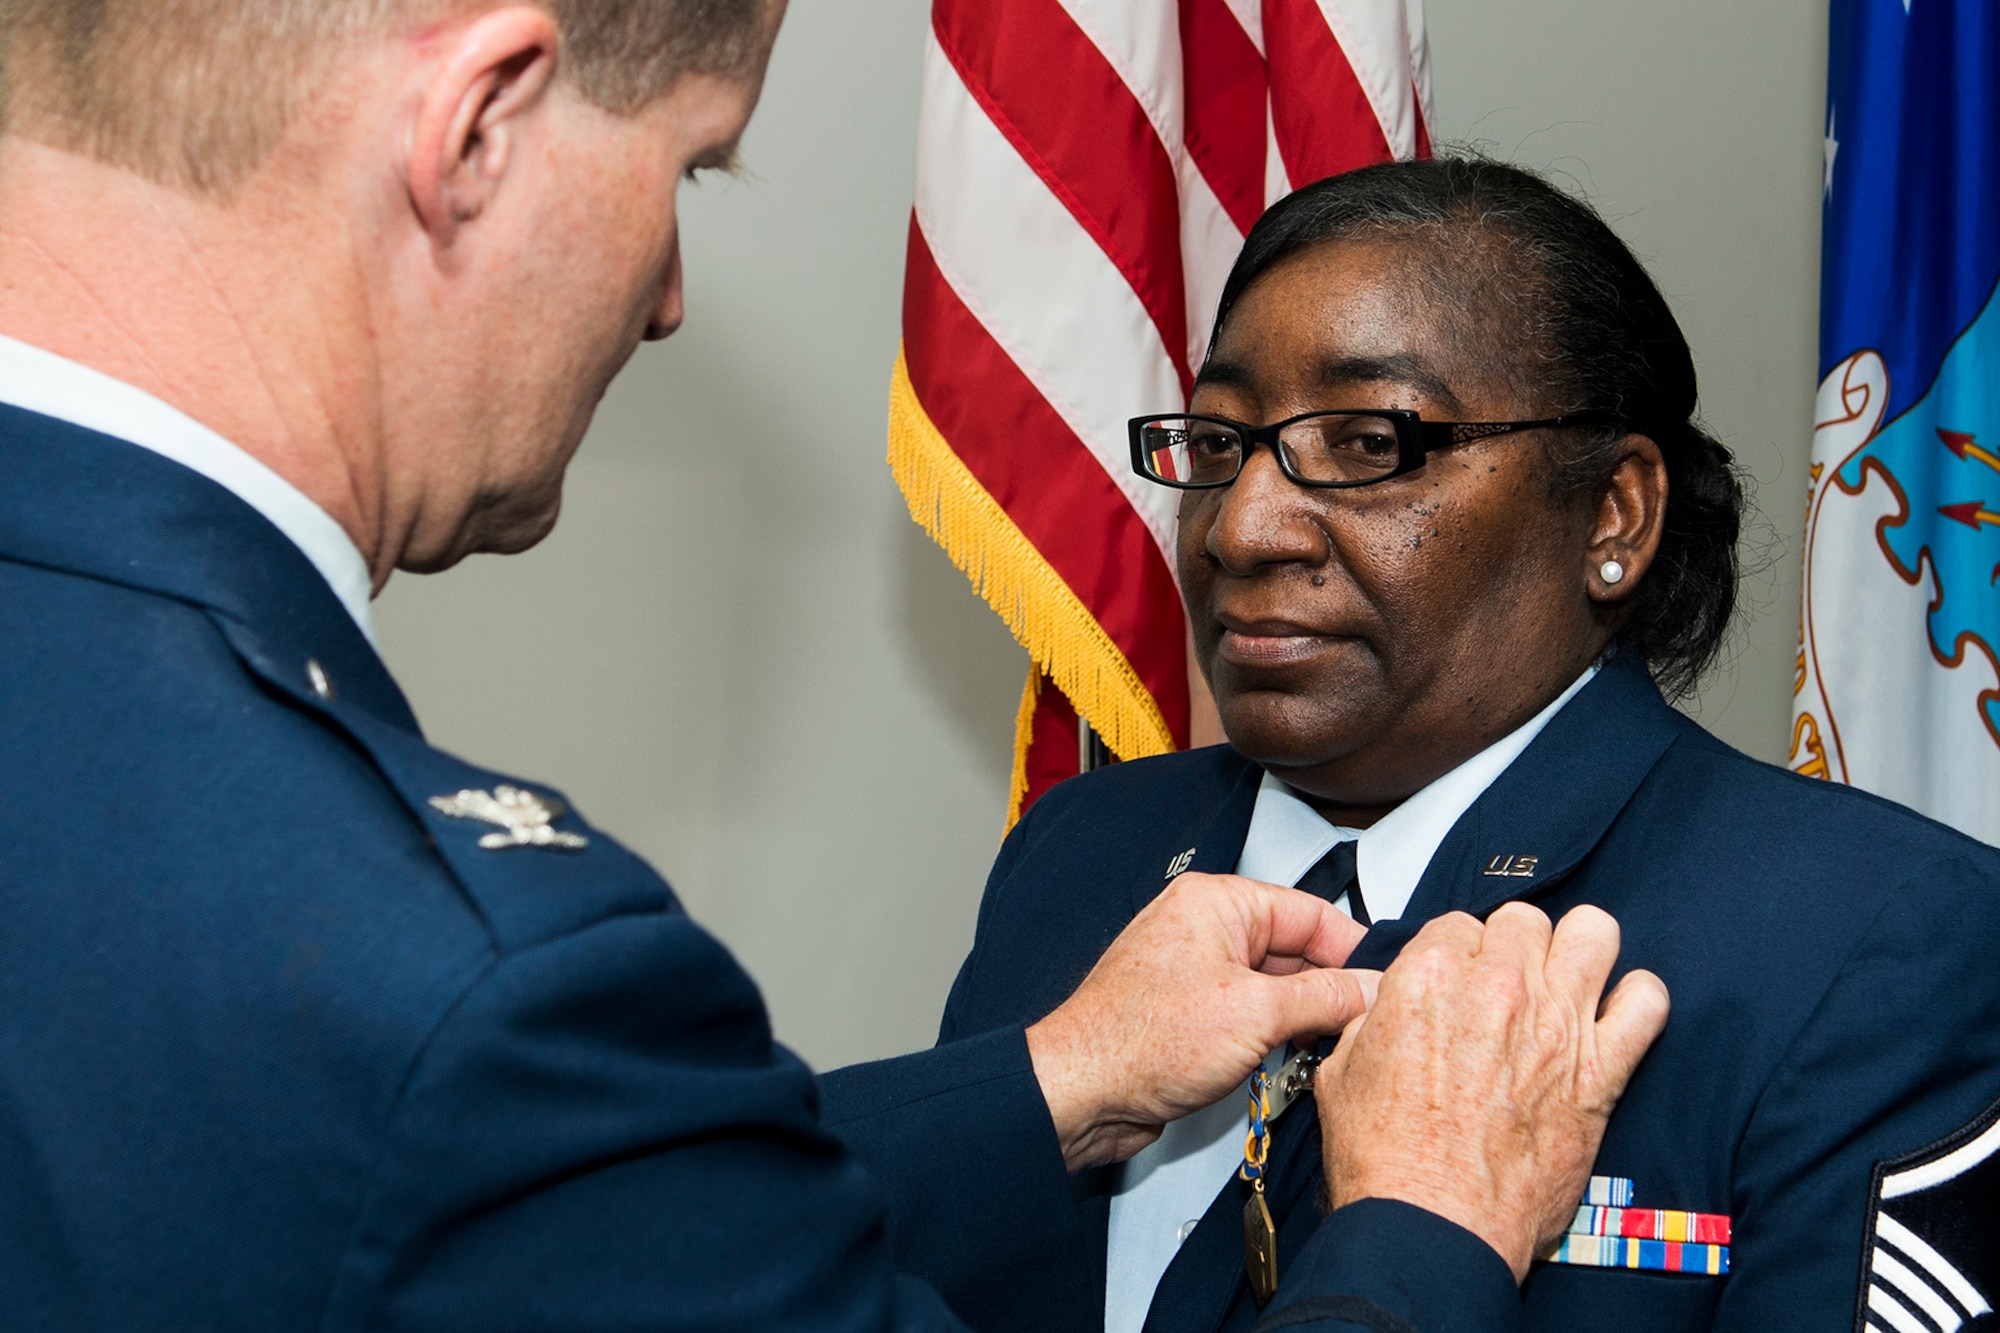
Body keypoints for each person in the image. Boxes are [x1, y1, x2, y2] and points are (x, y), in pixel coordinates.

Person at [0, 5, 1669, 1332]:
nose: (665, 295)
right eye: (692, 171)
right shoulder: (471, 968)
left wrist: (1044, 1082)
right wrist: (1423, 1234)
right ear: (480, 122)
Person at [826, 156, 2000, 1333]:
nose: (1241, 526)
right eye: (1219, 444)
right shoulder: (1082, 851)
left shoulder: (1869, 936)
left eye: (1368, 442)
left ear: (1612, 515)